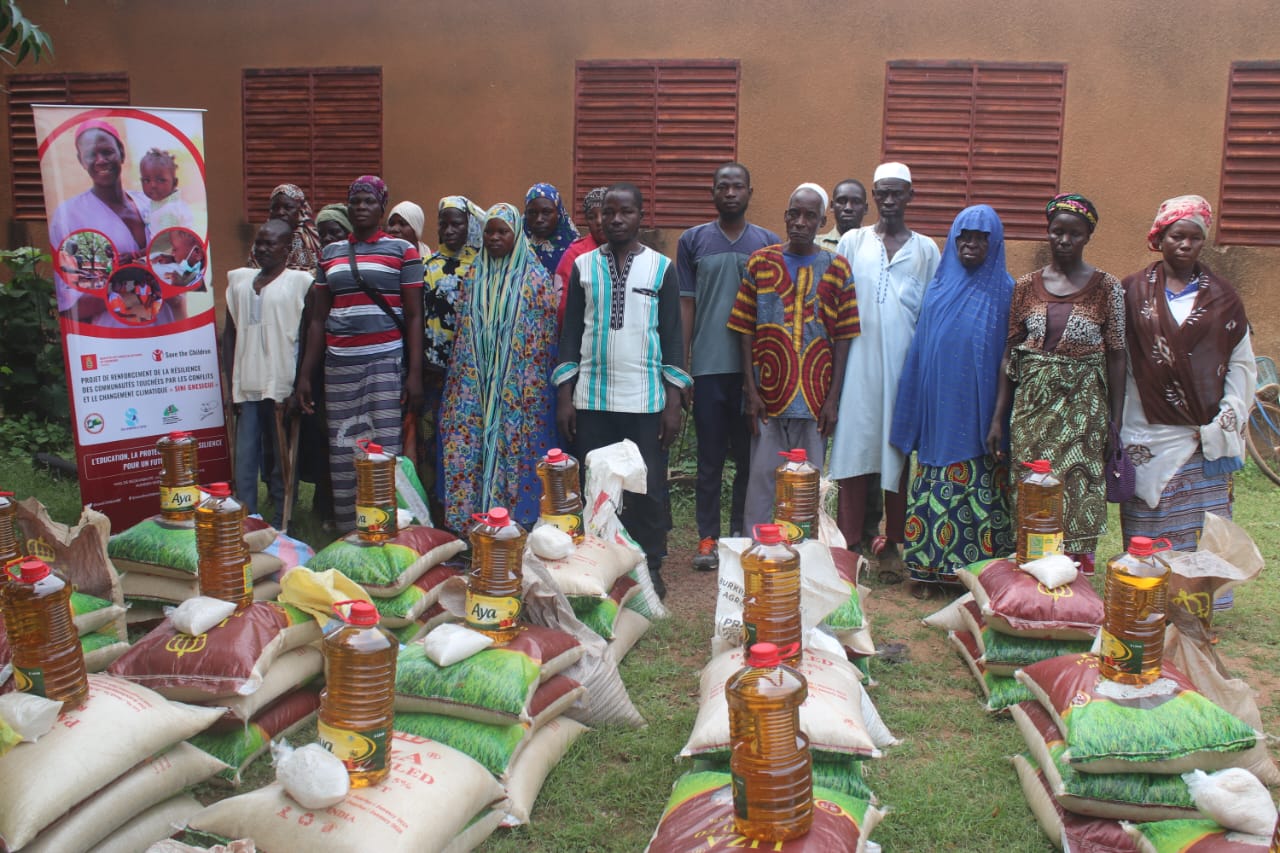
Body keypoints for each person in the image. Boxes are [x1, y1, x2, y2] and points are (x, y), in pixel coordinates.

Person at [1119, 195, 1255, 611]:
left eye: (1194, 238)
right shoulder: (1131, 291)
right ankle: (1147, 599)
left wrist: (1228, 416)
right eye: (1177, 236)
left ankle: (1195, 606)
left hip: (1203, 433)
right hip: (1147, 428)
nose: (1185, 245)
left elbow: (1240, 362)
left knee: (1202, 525)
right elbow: (1120, 361)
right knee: (1148, 521)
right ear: (1160, 238)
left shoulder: (1224, 297)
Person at [555, 183, 690, 599]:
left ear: (640, 216)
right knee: (595, 486)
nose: (615, 219)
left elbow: (673, 336)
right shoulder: (584, 267)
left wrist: (673, 401)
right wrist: (565, 396)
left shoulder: (661, 268)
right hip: (591, 399)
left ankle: (650, 565)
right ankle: (599, 565)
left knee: (646, 488)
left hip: (645, 400)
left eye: (625, 212)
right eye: (608, 212)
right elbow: (570, 334)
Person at [986, 193, 1125, 576]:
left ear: (1088, 236)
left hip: (1084, 411)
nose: (1064, 240)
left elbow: (1117, 355)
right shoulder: (1025, 286)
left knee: (1079, 486)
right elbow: (1010, 354)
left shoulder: (1107, 287)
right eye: (1057, 231)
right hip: (1032, 409)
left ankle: (1075, 575)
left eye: (1074, 234)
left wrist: (1115, 422)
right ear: (1047, 232)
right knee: (1031, 484)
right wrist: (998, 417)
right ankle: (1032, 569)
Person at [891, 205, 1015, 594]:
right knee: (936, 477)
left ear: (995, 244)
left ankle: (978, 575)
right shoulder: (939, 287)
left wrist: (999, 416)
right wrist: (912, 409)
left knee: (979, 481)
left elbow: (1009, 356)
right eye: (964, 237)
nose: (971, 245)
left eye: (981, 238)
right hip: (940, 405)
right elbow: (920, 350)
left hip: (982, 408)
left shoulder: (1006, 292)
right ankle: (929, 571)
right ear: (953, 240)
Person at [829, 162, 940, 582]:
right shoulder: (853, 241)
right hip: (856, 365)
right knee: (853, 451)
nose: (889, 200)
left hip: (902, 370)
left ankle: (892, 545)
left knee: (897, 455)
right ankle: (850, 546)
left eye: (897, 193)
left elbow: (930, 315)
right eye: (882, 193)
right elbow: (835, 303)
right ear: (874, 197)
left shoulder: (926, 250)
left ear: (911, 196)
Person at [293, 175, 424, 531]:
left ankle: (386, 525)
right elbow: (318, 320)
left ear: (382, 207)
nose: (362, 207)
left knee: (384, 448)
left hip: (385, 362)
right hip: (339, 366)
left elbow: (415, 316)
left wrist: (414, 374)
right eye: (356, 202)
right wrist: (305, 375)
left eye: (369, 201)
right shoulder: (330, 254)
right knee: (344, 447)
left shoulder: (402, 251)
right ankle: (351, 528)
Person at [729, 183, 858, 530]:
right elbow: (744, 328)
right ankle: (757, 546)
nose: (801, 222)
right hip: (768, 397)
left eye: (810, 216)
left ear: (822, 222)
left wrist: (832, 400)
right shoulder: (760, 262)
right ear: (785, 217)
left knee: (807, 487)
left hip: (815, 400)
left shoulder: (838, 268)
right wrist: (751, 391)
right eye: (794, 214)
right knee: (760, 482)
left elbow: (844, 336)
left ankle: (805, 548)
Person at [677, 162, 781, 569]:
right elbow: (687, 304)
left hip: (754, 373)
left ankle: (740, 533)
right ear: (713, 192)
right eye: (723, 186)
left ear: (750, 192)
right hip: (707, 367)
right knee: (710, 459)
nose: (731, 193)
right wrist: (682, 366)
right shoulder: (692, 241)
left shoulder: (768, 243)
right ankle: (708, 537)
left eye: (738, 186)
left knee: (750, 460)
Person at [439, 203, 558, 531]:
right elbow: (463, 331)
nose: (494, 237)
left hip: (517, 388)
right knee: (468, 445)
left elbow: (544, 336)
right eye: (489, 231)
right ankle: (472, 526)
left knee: (514, 448)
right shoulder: (474, 274)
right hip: (474, 384)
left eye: (502, 231)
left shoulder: (535, 277)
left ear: (516, 235)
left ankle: (512, 528)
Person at [224, 220, 313, 527]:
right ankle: (246, 521)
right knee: (245, 458)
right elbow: (230, 335)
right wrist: (230, 382)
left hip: (281, 384)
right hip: (247, 384)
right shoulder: (240, 282)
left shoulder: (299, 283)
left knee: (281, 459)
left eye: (269, 244)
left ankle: (281, 523)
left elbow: (306, 336)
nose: (261, 249)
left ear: (287, 250)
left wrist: (300, 384)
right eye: (258, 243)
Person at [48, 119, 153, 323]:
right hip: (112, 334)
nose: (100, 160)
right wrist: (134, 280)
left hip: (166, 329)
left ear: (121, 152)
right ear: (81, 161)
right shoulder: (69, 216)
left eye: (107, 152)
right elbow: (70, 304)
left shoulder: (150, 205)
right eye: (90, 155)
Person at [294, 202, 350, 529]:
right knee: (323, 436)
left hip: (348, 365)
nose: (328, 239)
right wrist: (304, 374)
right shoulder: (318, 276)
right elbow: (310, 327)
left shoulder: (350, 274)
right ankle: (324, 503)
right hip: (320, 369)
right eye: (324, 233)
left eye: (335, 233)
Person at [554, 186, 608, 328]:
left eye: (605, 214)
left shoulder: (628, 252)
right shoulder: (575, 254)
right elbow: (562, 307)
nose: (599, 221)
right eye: (592, 217)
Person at [251, 184, 322, 272]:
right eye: (275, 208)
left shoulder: (316, 240)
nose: (280, 212)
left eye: (288, 207)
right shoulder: (263, 241)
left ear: (301, 209)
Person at [524, 183, 579, 276]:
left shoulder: (576, 252)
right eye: (532, 213)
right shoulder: (515, 247)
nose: (539, 219)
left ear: (559, 213)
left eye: (546, 212)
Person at [139, 148, 194, 231]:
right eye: (147, 180)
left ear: (174, 183)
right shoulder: (157, 203)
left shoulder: (171, 210)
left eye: (160, 180)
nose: (153, 185)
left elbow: (166, 237)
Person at [817, 179, 868, 252]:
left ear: (865, 208)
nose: (848, 208)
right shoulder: (815, 245)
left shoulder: (877, 246)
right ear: (832, 206)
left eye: (856, 202)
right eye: (841, 201)